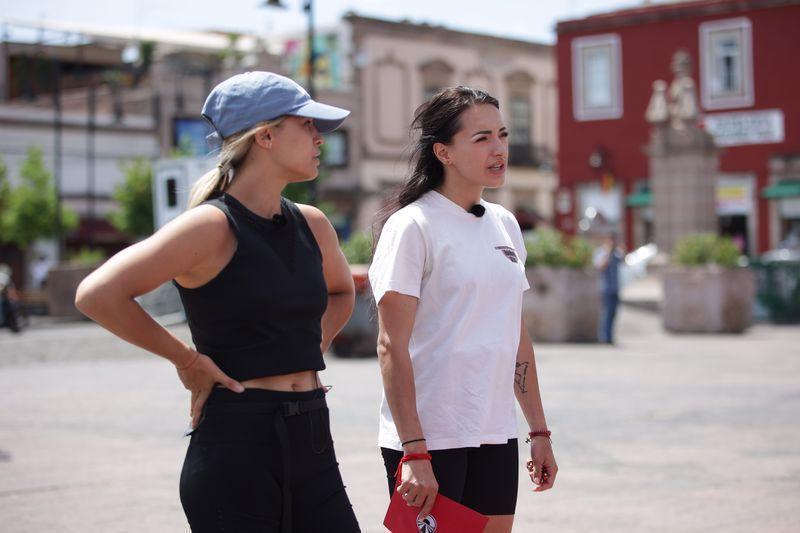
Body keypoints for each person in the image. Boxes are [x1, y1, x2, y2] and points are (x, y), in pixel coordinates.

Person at [75, 71, 360, 533]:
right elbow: (97, 294)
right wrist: (186, 360)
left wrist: (306, 349)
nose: (319, 137)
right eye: (306, 124)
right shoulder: (211, 226)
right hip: (236, 445)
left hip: (312, 434)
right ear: (265, 136)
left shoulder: (313, 224)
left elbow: (342, 292)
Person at [368, 86, 557, 533]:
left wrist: (538, 431)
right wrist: (415, 450)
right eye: (482, 138)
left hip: (494, 431)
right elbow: (391, 345)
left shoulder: (505, 224)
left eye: (503, 135)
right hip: (430, 439)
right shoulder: (412, 225)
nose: (499, 149)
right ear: (444, 152)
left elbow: (514, 333)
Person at [594, 232, 625, 344]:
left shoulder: (616, 254)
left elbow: (624, 261)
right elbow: (600, 266)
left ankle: (610, 336)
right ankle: (604, 337)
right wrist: (608, 253)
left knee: (613, 313)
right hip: (605, 288)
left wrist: (621, 250)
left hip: (615, 288)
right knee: (606, 313)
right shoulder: (601, 252)